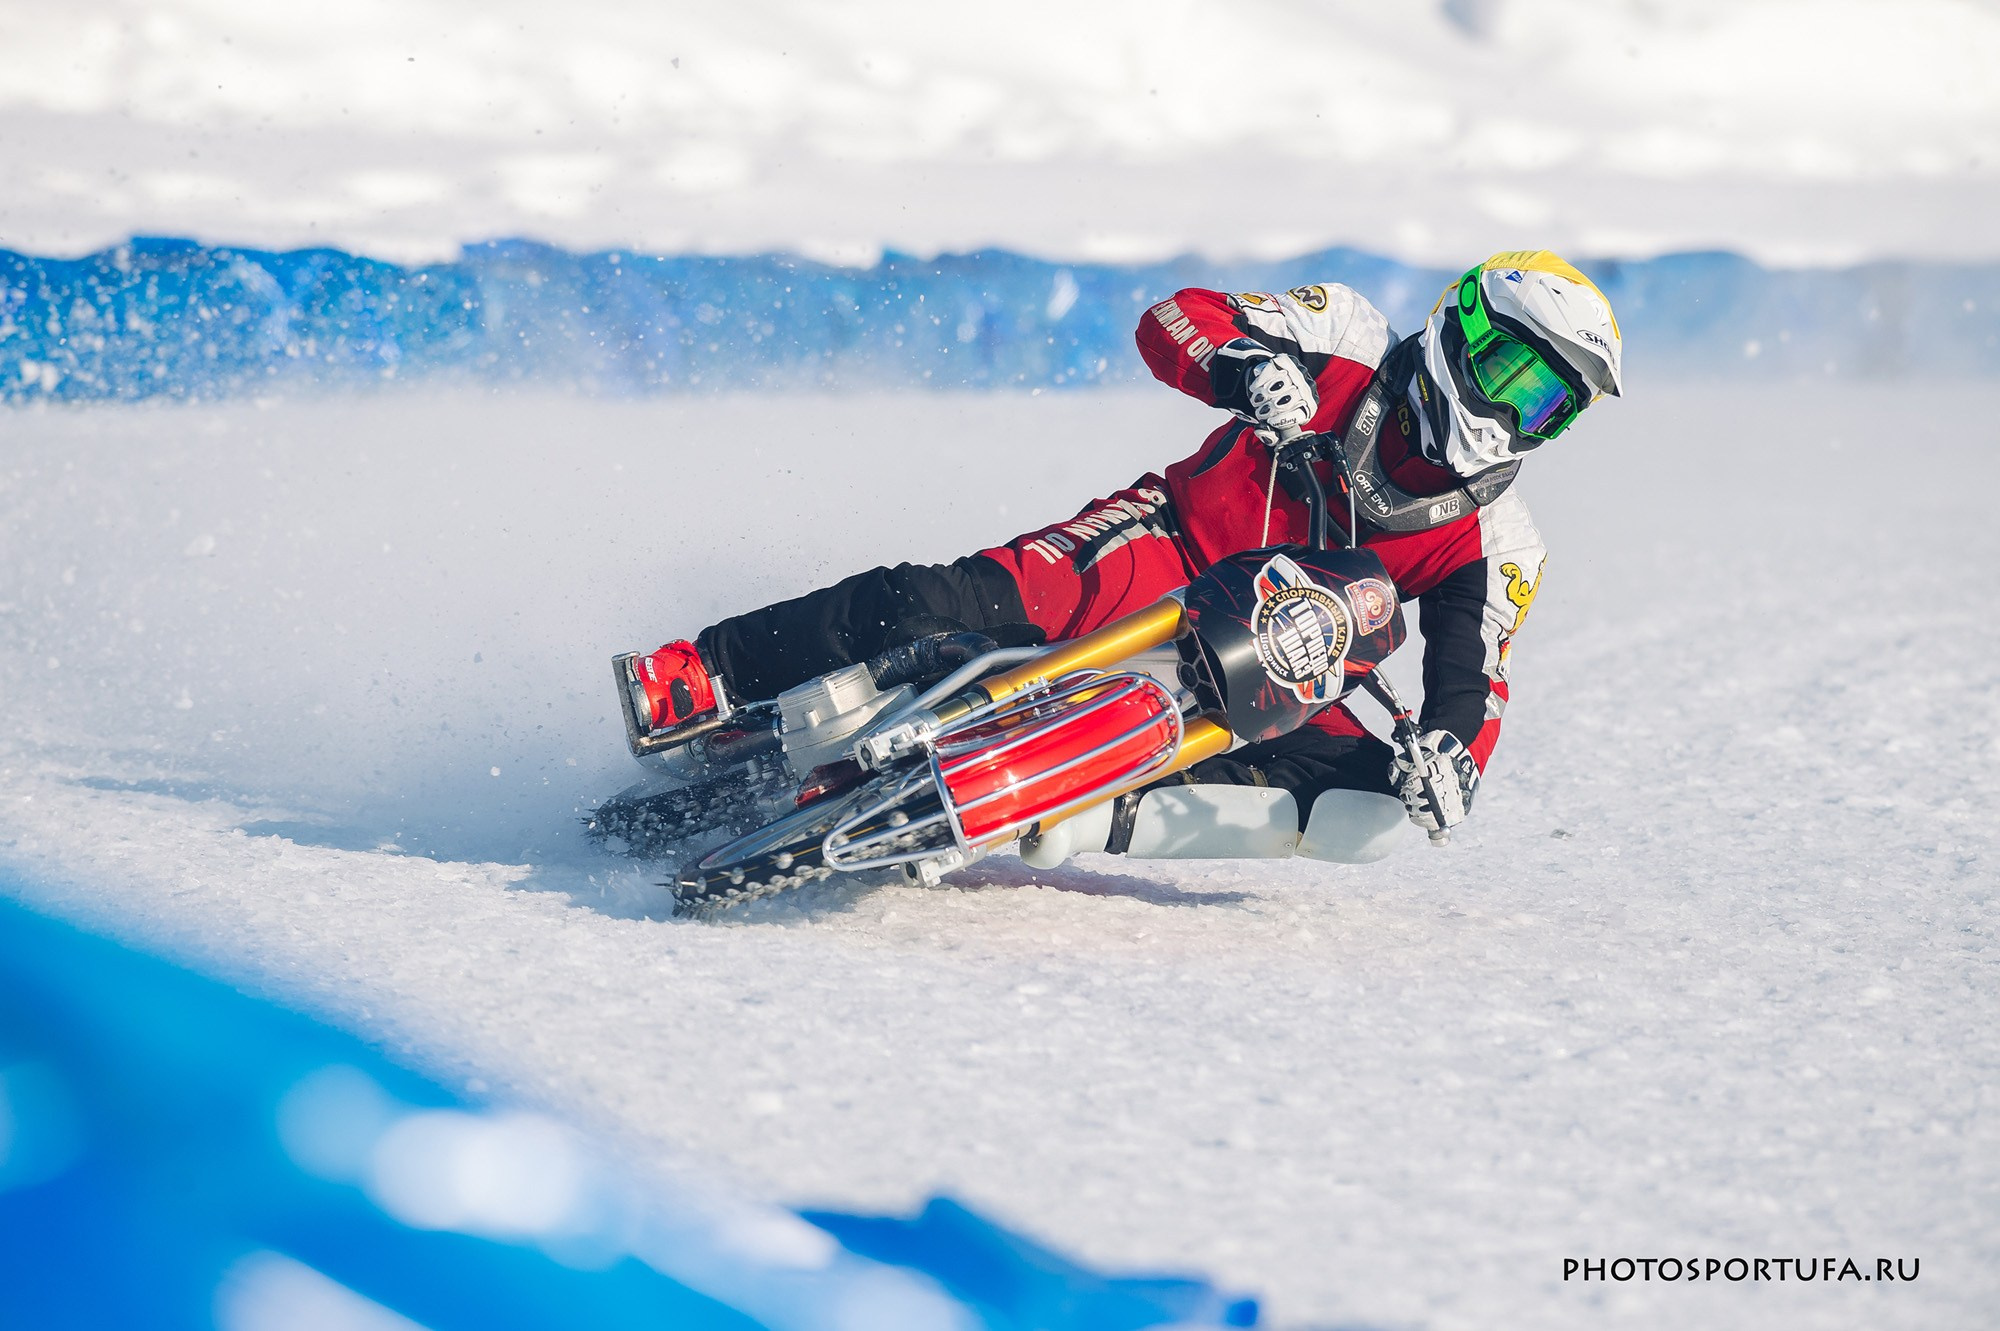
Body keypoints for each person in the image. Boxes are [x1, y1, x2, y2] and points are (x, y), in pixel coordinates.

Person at [621, 251, 1622, 864]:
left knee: (1373, 807)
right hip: (1165, 549)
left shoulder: (1500, 541)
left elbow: (1471, 680)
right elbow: (1177, 315)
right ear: (1459, 326)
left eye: (1543, 402)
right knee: (950, 600)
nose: (1506, 412)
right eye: (1505, 369)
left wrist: (1450, 760)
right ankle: (706, 672)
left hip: (1272, 675)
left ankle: (1072, 812)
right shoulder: (1349, 332)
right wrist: (1243, 363)